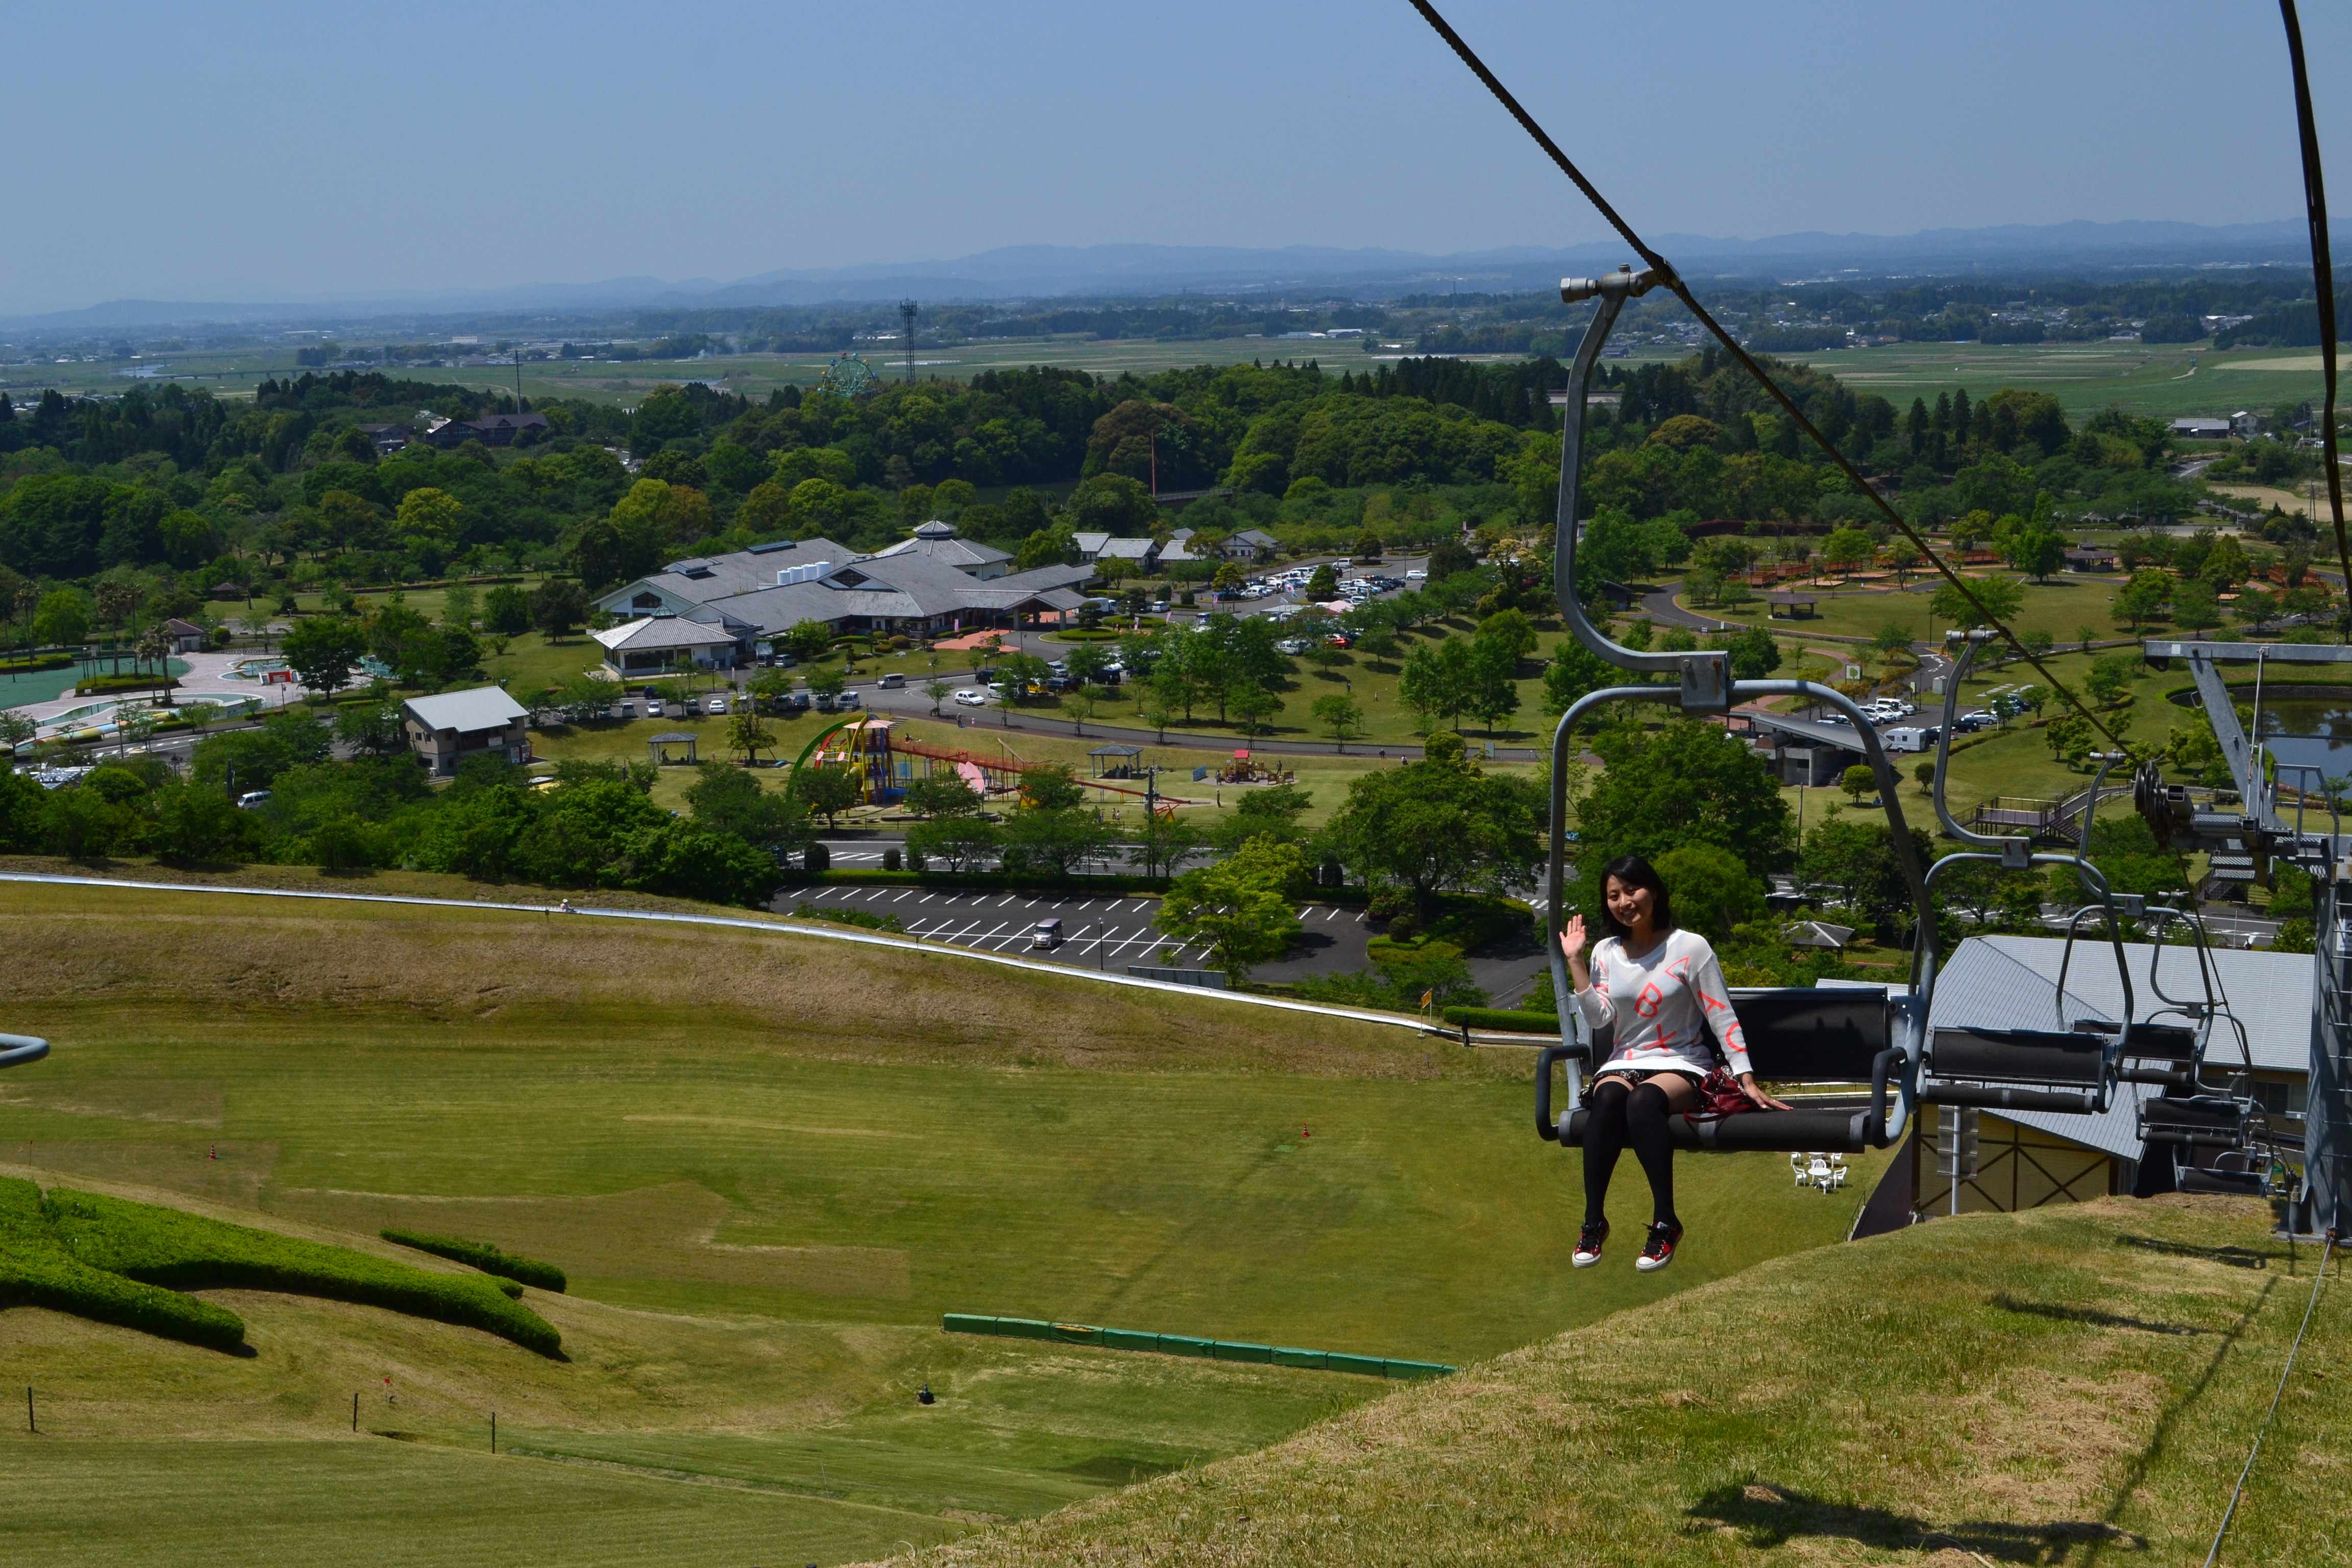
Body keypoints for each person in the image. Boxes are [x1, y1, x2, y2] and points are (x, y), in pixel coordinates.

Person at [1559, 854, 1787, 1273]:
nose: (1624, 902)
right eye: (1614, 896)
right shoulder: (1607, 952)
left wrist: (1746, 1076)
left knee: (1644, 1102)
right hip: (1625, 1060)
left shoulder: (1690, 947)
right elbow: (1599, 1019)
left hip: (1682, 1061)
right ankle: (1594, 1221)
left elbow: (1721, 1013)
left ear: (1655, 891)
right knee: (1608, 1098)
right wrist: (1576, 961)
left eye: (1632, 890)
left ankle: (1666, 1221)